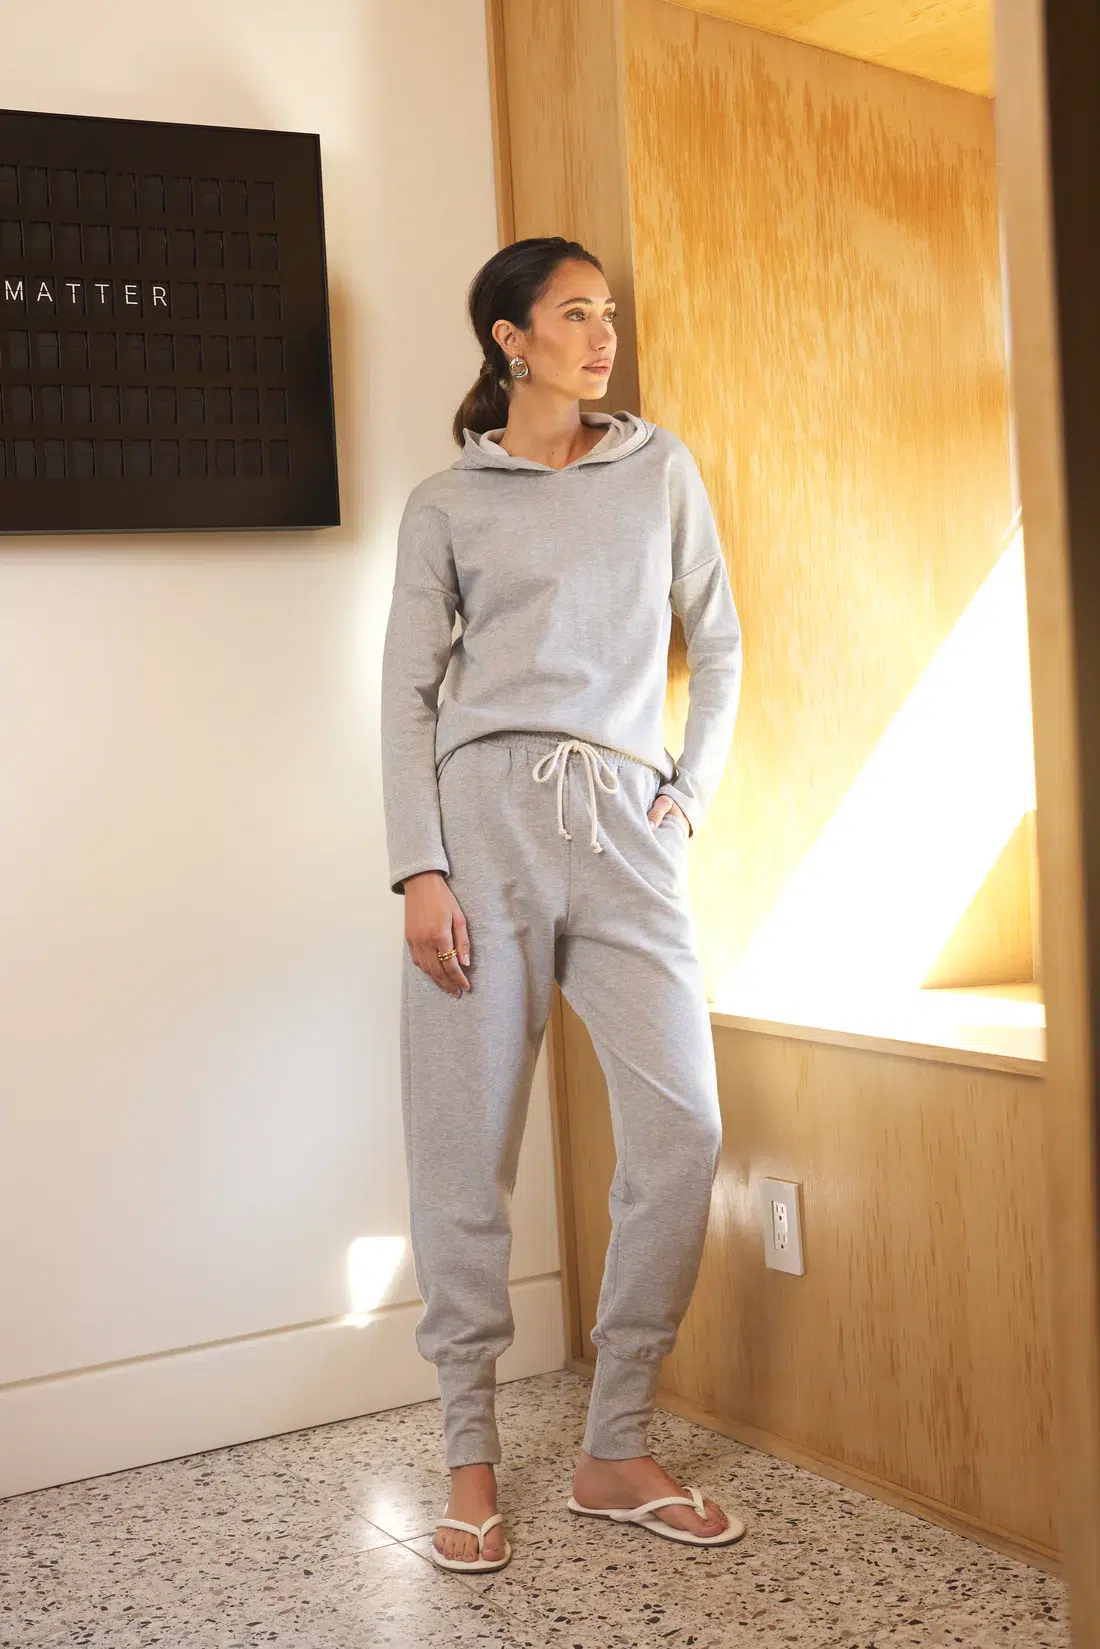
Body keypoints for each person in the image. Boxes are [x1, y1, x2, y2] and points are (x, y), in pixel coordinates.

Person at [380, 235, 746, 1572]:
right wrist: (420, 866)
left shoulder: (660, 469)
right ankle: (469, 1460)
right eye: (576, 313)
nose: (603, 336)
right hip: (482, 828)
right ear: (510, 339)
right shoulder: (448, 503)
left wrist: (687, 795)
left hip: (628, 825)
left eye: (609, 314)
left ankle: (613, 1445)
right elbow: (405, 693)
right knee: (464, 1150)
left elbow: (719, 638)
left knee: (684, 1130)